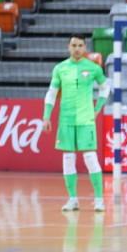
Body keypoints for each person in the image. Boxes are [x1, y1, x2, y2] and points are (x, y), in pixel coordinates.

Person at [43, 34, 110, 213]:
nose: (77, 48)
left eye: (80, 45)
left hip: (85, 120)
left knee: (90, 157)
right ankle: (73, 200)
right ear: (68, 47)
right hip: (66, 120)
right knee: (68, 158)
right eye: (74, 45)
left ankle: (99, 200)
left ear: (85, 48)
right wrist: (46, 116)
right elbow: (51, 93)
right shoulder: (60, 68)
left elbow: (105, 88)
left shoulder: (93, 68)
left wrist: (97, 109)